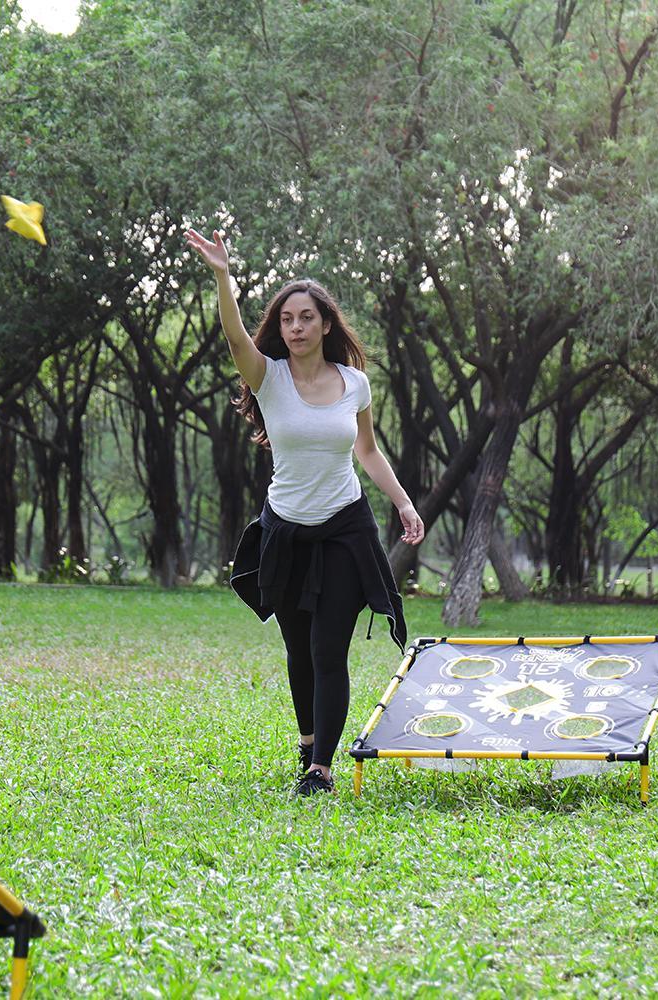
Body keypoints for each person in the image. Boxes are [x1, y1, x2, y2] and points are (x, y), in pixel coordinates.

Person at [186, 227, 425, 797]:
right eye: (287, 319)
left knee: (327, 648)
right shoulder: (268, 379)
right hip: (285, 530)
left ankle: (321, 768)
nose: (295, 328)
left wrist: (403, 502)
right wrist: (223, 275)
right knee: (298, 648)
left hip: (344, 526)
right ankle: (308, 741)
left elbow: (366, 450)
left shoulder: (355, 385)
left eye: (305, 318)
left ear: (325, 324)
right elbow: (233, 335)